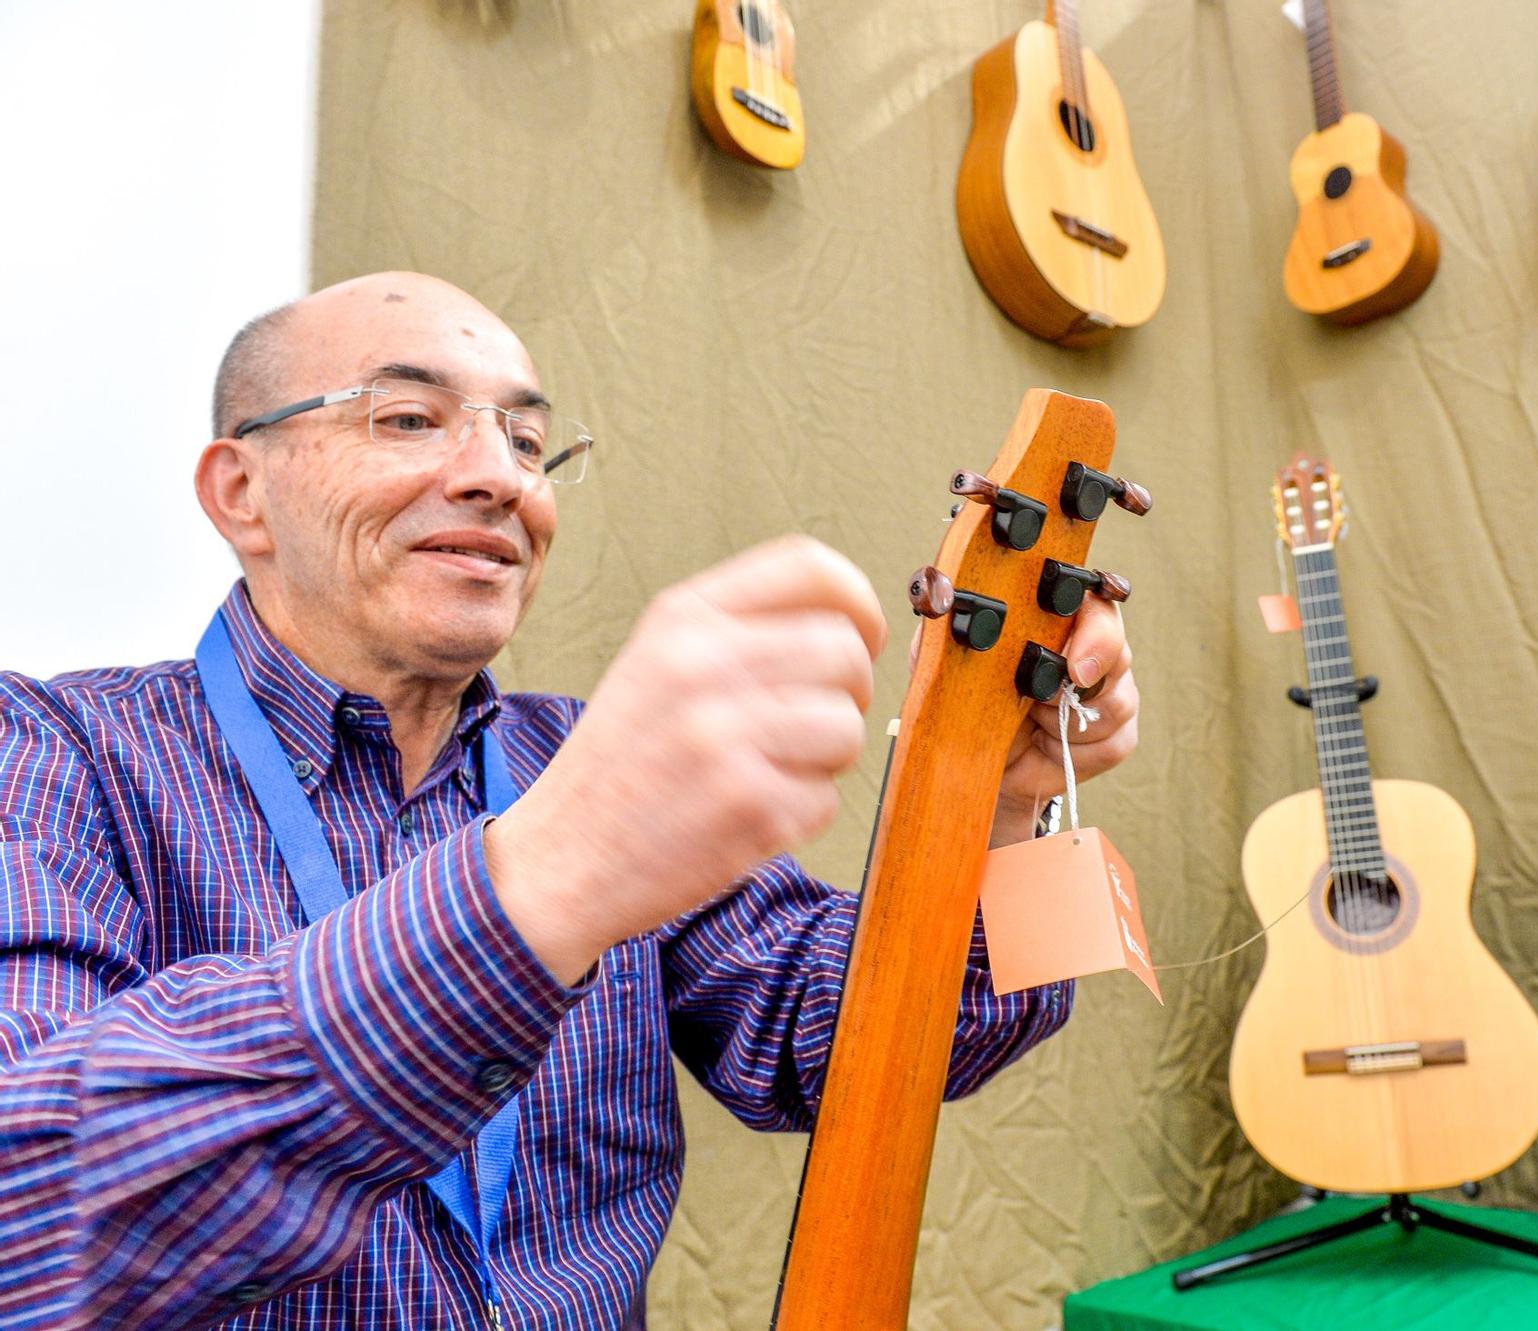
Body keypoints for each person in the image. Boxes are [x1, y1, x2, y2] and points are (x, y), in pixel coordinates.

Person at [0, 272, 1141, 1329]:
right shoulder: (59, 753)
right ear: (241, 491)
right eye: (407, 417)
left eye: (529, 439)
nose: (501, 476)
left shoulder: (581, 753)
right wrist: (537, 882)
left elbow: (841, 1043)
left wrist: (1006, 809)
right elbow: (30, 1207)